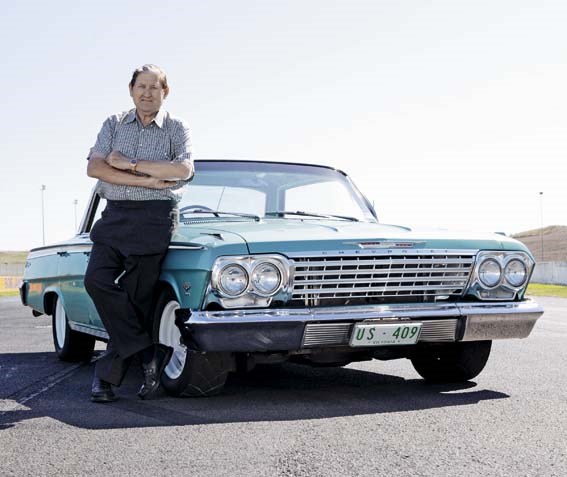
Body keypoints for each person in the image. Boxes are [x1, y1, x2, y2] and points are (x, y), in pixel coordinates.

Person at [84, 64, 193, 403]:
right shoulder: (114, 123)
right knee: (96, 281)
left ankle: (106, 380)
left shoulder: (176, 128)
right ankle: (149, 352)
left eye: (155, 87)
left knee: (134, 300)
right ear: (131, 89)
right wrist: (147, 179)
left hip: (153, 220)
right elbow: (94, 167)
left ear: (165, 92)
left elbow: (183, 170)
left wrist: (128, 165)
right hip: (114, 217)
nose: (148, 93)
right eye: (141, 86)